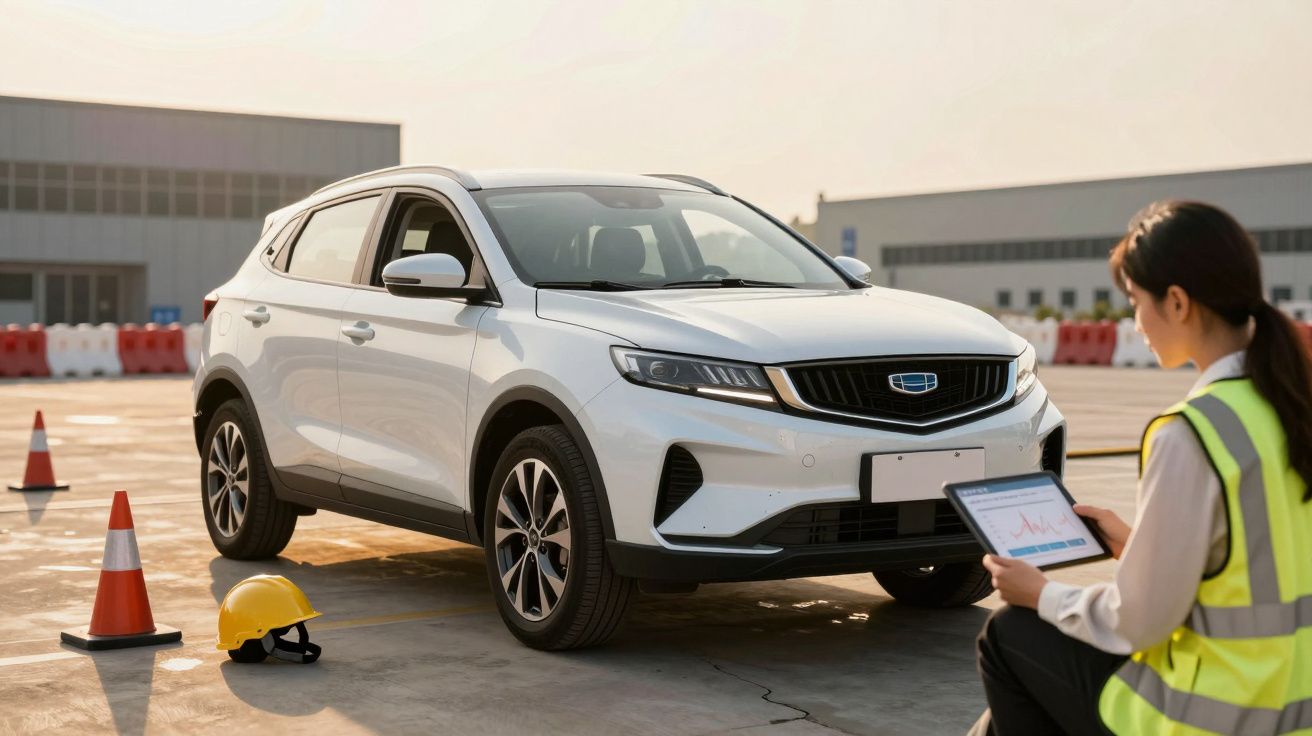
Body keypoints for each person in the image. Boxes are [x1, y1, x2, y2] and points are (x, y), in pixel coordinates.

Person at [968, 200, 1312, 735]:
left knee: (1009, 633)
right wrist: (1140, 545)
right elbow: (1261, 564)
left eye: (1135, 302)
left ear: (1176, 303)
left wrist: (1043, 594)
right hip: (1290, 709)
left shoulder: (1194, 432)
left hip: (1207, 717)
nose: (1135, 321)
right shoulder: (1291, 406)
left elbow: (1141, 621)